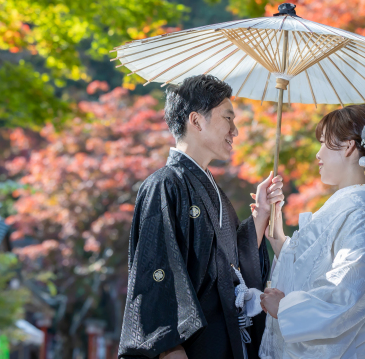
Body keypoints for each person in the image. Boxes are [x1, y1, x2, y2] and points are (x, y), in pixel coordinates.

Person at [118, 75, 284, 359]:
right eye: (228, 118)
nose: (236, 131)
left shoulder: (211, 190)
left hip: (227, 342)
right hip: (191, 348)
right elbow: (157, 273)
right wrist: (170, 348)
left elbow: (232, 261)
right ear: (196, 121)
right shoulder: (164, 185)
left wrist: (262, 214)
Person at [258, 104, 365, 359]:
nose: (318, 154)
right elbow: (316, 270)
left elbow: (349, 292)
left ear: (348, 146)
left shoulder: (363, 214)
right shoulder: (355, 210)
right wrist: (279, 240)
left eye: (324, 142)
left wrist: (286, 308)